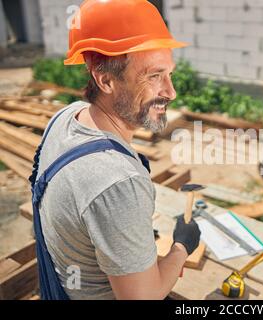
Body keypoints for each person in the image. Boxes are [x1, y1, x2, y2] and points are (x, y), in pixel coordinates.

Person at [30, 0, 201, 300]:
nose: (170, 92)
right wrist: (180, 248)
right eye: (153, 76)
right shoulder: (118, 183)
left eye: (169, 73)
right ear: (105, 79)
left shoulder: (65, 117)